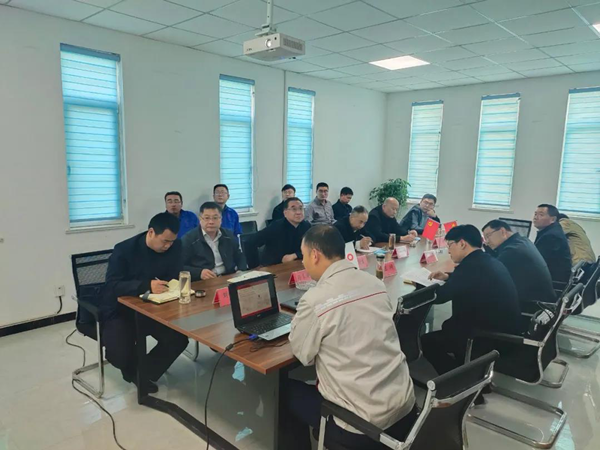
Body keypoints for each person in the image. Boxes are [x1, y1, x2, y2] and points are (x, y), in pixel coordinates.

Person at [284, 225, 417, 450]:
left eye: (304, 255)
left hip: (362, 427)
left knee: (282, 391)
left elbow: (303, 355)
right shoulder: (375, 283)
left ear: (315, 255)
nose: (303, 262)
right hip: (405, 410)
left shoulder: (315, 299)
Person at [102, 213, 189, 393]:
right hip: (122, 310)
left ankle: (142, 373)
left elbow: (175, 273)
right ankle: (131, 368)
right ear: (151, 232)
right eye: (165, 241)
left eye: (172, 242)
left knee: (178, 339)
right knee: (120, 354)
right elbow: (112, 285)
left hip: (156, 307)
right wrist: (146, 286)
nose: (168, 246)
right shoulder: (124, 250)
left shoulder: (175, 246)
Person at [422, 224, 521, 376]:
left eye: (450, 245)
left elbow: (440, 296)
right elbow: (469, 280)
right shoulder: (486, 260)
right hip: (505, 331)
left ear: (462, 243)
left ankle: (460, 381)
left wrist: (419, 288)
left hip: (486, 337)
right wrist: (448, 277)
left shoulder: (469, 267)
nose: (448, 250)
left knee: (427, 342)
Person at [482, 220, 556, 304]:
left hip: (532, 305)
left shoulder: (512, 251)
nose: (487, 241)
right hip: (543, 301)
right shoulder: (523, 241)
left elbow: (490, 275)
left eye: (488, 236)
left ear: (502, 231)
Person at [181, 202, 247, 281]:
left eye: (215, 218)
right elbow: (180, 266)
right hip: (204, 281)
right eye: (207, 218)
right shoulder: (189, 239)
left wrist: (240, 271)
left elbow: (239, 256)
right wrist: (199, 273)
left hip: (228, 277)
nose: (211, 222)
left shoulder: (228, 235)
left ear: (221, 219)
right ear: (200, 219)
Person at [252, 197, 311, 265]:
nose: (298, 212)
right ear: (285, 213)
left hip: (297, 263)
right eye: (294, 209)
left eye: (300, 208)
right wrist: (254, 266)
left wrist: (296, 255)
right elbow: (250, 242)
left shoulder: (306, 226)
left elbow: (311, 248)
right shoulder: (275, 227)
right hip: (274, 266)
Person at [533, 204, 572, 284]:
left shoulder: (551, 236)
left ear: (553, 219)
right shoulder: (552, 230)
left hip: (553, 282)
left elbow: (537, 261)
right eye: (535, 214)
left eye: (541, 215)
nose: (535, 217)